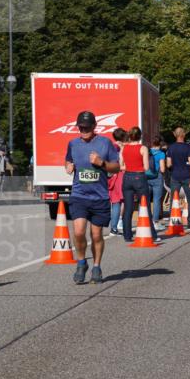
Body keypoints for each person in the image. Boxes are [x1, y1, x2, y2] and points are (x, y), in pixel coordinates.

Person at [64, 111, 120, 283]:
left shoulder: (105, 143)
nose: (83, 130)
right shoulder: (73, 144)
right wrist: (68, 166)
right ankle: (81, 263)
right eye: (80, 127)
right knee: (79, 232)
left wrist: (102, 163)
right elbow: (67, 160)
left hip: (100, 197)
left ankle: (96, 266)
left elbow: (116, 167)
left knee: (96, 235)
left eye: (87, 127)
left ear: (94, 127)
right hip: (79, 195)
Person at [120, 126, 160, 245]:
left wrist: (129, 167)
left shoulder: (124, 148)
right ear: (140, 136)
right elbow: (146, 167)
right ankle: (152, 234)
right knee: (145, 206)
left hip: (127, 177)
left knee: (128, 207)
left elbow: (121, 165)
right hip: (139, 177)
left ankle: (127, 235)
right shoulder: (143, 148)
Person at [167, 126, 190, 228]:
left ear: (175, 134)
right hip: (187, 175)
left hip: (175, 175)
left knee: (173, 200)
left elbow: (168, 164)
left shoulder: (171, 147)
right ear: (184, 134)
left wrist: (173, 167)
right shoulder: (189, 147)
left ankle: (173, 221)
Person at [107, 128, 126, 237]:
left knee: (115, 201)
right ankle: (117, 224)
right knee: (119, 201)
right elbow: (121, 162)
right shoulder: (121, 147)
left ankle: (114, 227)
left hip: (112, 176)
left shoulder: (111, 146)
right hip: (121, 174)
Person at [148, 136, 167, 227]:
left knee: (145, 199)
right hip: (157, 178)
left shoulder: (147, 152)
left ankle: (145, 219)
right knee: (156, 200)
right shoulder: (161, 154)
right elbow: (162, 169)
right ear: (160, 144)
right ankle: (155, 221)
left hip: (146, 178)